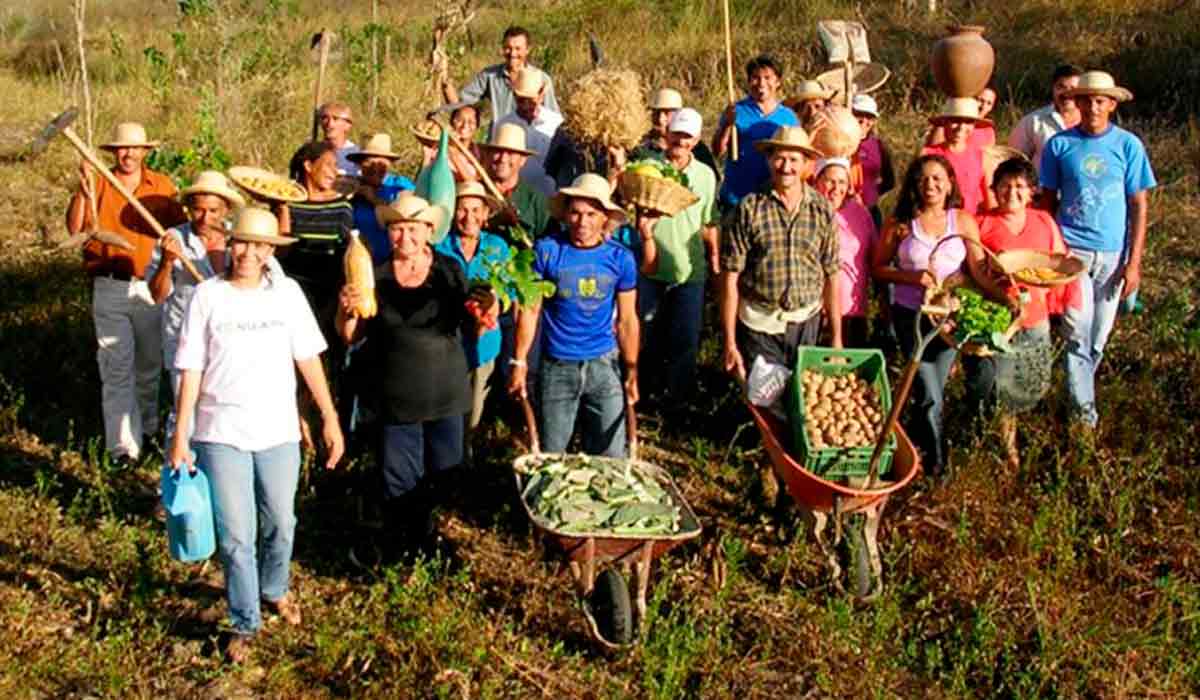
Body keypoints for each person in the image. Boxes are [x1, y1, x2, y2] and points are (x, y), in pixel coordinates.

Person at [168, 207, 344, 664]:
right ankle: (245, 618)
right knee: (236, 535)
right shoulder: (207, 296)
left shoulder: (286, 295)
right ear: (230, 244)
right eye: (240, 243)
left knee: (281, 522)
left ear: (271, 251)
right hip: (219, 431)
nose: (247, 252)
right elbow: (191, 368)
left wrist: (328, 417)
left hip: (278, 429)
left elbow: (308, 359)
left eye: (258, 245)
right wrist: (181, 434)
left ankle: (274, 587)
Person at [336, 194, 490, 561]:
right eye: (396, 229)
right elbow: (351, 336)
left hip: (446, 395)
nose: (404, 237)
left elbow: (473, 321)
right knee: (398, 478)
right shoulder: (375, 274)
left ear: (429, 231)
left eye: (412, 229)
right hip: (395, 398)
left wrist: (486, 308)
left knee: (444, 474)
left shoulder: (449, 270)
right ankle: (404, 548)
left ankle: (430, 541)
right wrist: (347, 311)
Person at [65, 121, 187, 464]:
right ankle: (122, 449)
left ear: (146, 151)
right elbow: (76, 228)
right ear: (113, 152)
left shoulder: (161, 186)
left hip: (150, 288)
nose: (128, 154)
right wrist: (82, 185)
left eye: (135, 148)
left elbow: (178, 233)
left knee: (148, 366)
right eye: (121, 148)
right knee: (116, 368)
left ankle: (146, 431)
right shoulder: (98, 180)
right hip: (109, 287)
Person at [1039, 70, 1155, 429]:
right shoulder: (1059, 146)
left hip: (1112, 255)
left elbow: (1139, 204)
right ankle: (1084, 421)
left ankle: (1074, 394)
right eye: (1086, 99)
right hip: (1072, 252)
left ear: (1112, 105)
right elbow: (1046, 204)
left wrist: (1133, 262)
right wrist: (1050, 254)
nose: (1092, 107)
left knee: (1097, 338)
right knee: (1077, 333)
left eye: (1100, 101)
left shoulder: (1128, 146)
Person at [508, 174, 654, 457]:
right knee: (552, 453)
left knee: (611, 455)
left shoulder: (619, 258)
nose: (582, 222)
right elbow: (531, 309)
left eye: (591, 214)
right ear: (565, 215)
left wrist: (632, 369)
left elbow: (627, 320)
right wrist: (520, 360)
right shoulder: (548, 251)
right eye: (575, 212)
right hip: (558, 366)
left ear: (604, 218)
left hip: (604, 365)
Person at [871, 154, 979, 475]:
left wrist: (975, 294)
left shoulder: (962, 222)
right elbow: (878, 268)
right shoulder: (901, 225)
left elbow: (977, 269)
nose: (930, 185)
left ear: (949, 185)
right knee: (930, 392)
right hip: (912, 317)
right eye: (923, 180)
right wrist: (910, 277)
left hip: (948, 320)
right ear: (915, 187)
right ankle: (937, 466)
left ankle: (915, 444)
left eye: (937, 179)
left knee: (934, 393)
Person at [969, 157, 1073, 467]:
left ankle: (1013, 432)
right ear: (994, 190)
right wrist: (1000, 291)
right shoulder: (982, 223)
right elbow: (974, 270)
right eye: (1004, 186)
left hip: (1036, 316)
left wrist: (1059, 298)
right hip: (1001, 317)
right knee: (1002, 387)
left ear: (1031, 192)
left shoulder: (1043, 221)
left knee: (1034, 382)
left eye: (1019, 186)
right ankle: (1007, 450)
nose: (1011, 192)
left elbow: (1057, 262)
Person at [720, 125, 842, 383]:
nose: (786, 166)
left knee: (805, 396)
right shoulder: (750, 208)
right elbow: (730, 279)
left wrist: (836, 338)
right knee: (769, 400)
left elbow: (832, 275)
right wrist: (730, 341)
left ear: (807, 163)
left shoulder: (821, 210)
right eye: (779, 158)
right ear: (768, 159)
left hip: (806, 322)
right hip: (759, 325)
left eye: (794, 159)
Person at [146, 170, 251, 443]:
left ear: (226, 210)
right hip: (183, 339)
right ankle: (178, 475)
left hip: (228, 340)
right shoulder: (173, 239)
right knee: (184, 414)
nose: (205, 218)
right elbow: (157, 295)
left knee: (222, 415)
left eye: (214, 211)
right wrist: (168, 262)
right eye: (198, 210)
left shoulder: (240, 243)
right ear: (189, 209)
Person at [637, 108, 718, 402]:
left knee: (684, 340)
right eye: (676, 135)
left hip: (689, 271)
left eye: (687, 137)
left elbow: (709, 222)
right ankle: (646, 393)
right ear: (666, 133)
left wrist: (715, 259)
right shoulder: (648, 167)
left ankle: (678, 401)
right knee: (649, 334)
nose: (680, 142)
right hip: (651, 266)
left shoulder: (706, 176)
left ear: (696, 139)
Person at [433, 181, 508, 436]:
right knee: (445, 413)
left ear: (486, 214)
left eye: (476, 210)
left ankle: (466, 463)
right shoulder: (439, 246)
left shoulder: (498, 247)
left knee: (473, 413)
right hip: (446, 342)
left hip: (483, 343)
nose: (469, 217)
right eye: (463, 210)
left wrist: (494, 303)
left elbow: (507, 292)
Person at [279, 141, 355, 321]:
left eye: (336, 166)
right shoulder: (286, 202)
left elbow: (345, 253)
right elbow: (281, 251)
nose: (335, 172)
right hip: (293, 290)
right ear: (308, 166)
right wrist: (282, 211)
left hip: (328, 294)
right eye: (329, 165)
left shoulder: (342, 206)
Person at [712, 54, 800, 210]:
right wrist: (727, 124)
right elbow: (718, 151)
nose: (761, 83)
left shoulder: (788, 117)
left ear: (778, 82)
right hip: (736, 198)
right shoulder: (736, 110)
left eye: (767, 78)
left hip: (773, 200)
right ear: (748, 81)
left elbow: (797, 158)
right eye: (755, 78)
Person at [444, 25, 560, 135]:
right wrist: (446, 87)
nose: (513, 53)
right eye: (508, 48)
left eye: (518, 48)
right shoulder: (490, 75)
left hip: (530, 144)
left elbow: (553, 118)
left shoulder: (542, 79)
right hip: (497, 141)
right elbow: (463, 101)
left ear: (527, 50)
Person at [813, 157, 877, 348]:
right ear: (817, 181)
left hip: (853, 308)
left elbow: (874, 255)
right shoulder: (808, 212)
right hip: (816, 310)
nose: (835, 188)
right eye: (830, 181)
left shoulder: (860, 214)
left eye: (842, 182)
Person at [494, 68, 564, 197]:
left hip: (549, 195)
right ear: (514, 96)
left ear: (541, 96)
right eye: (521, 100)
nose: (526, 106)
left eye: (531, 100)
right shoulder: (503, 124)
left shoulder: (556, 122)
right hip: (516, 197)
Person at [347, 133, 415, 263]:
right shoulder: (352, 186)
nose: (374, 167)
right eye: (368, 162)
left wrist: (373, 199)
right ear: (360, 165)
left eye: (381, 162)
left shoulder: (400, 185)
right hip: (360, 261)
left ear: (389, 163)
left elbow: (408, 216)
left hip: (394, 262)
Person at [921, 98, 993, 216]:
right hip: (935, 227)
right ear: (944, 123)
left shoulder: (982, 157)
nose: (961, 127)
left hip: (971, 227)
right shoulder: (927, 154)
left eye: (968, 122)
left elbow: (991, 202)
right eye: (955, 120)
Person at [1009, 64, 1083, 169]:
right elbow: (1013, 162)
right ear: (1053, 88)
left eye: (1073, 88)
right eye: (1061, 87)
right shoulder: (1033, 122)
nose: (1067, 93)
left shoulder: (1091, 123)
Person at [634, 88, 720, 176]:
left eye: (667, 113)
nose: (660, 119)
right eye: (657, 113)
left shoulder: (697, 148)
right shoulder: (638, 145)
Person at [850, 94, 896, 229]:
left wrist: (872, 194)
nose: (864, 121)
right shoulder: (840, 142)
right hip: (844, 210)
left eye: (869, 117)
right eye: (859, 114)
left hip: (870, 210)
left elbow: (889, 180)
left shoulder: (878, 145)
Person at [926, 84, 998, 149]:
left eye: (989, 103)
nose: (983, 107)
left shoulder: (988, 131)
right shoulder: (947, 123)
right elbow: (933, 154)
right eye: (981, 100)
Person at [316, 102, 359, 177]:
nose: (329, 124)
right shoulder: (314, 152)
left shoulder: (357, 156)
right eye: (325, 118)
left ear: (348, 125)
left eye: (335, 119)